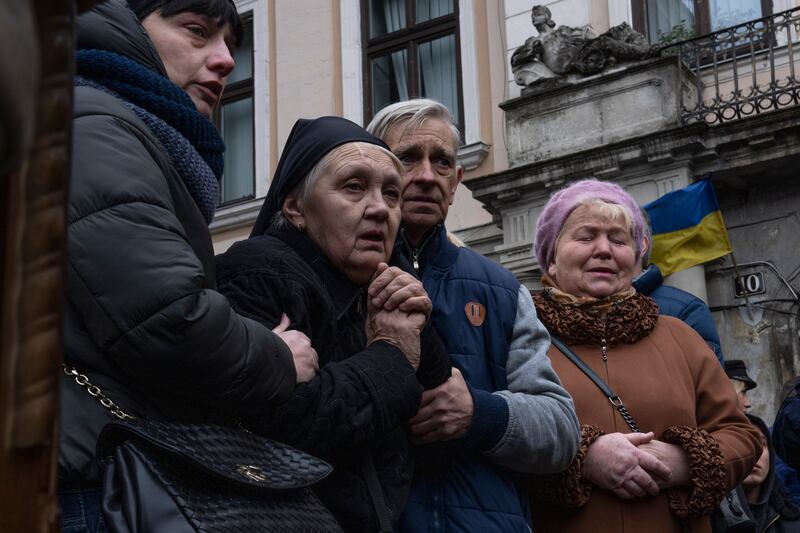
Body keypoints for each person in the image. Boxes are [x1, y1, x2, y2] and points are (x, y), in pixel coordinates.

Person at [60, 1, 317, 531]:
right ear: (131, 27)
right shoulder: (94, 122)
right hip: (95, 484)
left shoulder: (116, 124)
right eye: (197, 32)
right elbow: (167, 318)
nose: (225, 60)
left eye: (230, 44)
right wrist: (275, 357)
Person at [215, 116, 453, 532]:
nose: (380, 208)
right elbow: (279, 430)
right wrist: (392, 353)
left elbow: (434, 418)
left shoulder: (379, 285)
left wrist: (415, 321)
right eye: (354, 186)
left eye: (391, 193)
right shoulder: (258, 273)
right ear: (294, 207)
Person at [367, 99, 580, 532]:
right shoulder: (340, 274)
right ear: (377, 168)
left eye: (442, 162)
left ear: (457, 179)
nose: (427, 176)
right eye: (408, 158)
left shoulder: (503, 290)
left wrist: (480, 414)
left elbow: (561, 432)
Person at [528, 178, 761, 532]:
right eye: (586, 236)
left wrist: (685, 461)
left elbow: (742, 437)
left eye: (619, 239)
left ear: (637, 262)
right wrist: (582, 459)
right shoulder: (521, 340)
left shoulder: (681, 338)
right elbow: (497, 439)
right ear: (551, 259)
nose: (604, 250)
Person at [634, 209, 725, 365]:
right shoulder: (580, 310)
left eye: (615, 237)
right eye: (587, 238)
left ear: (642, 245)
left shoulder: (686, 311)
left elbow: (707, 385)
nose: (602, 248)